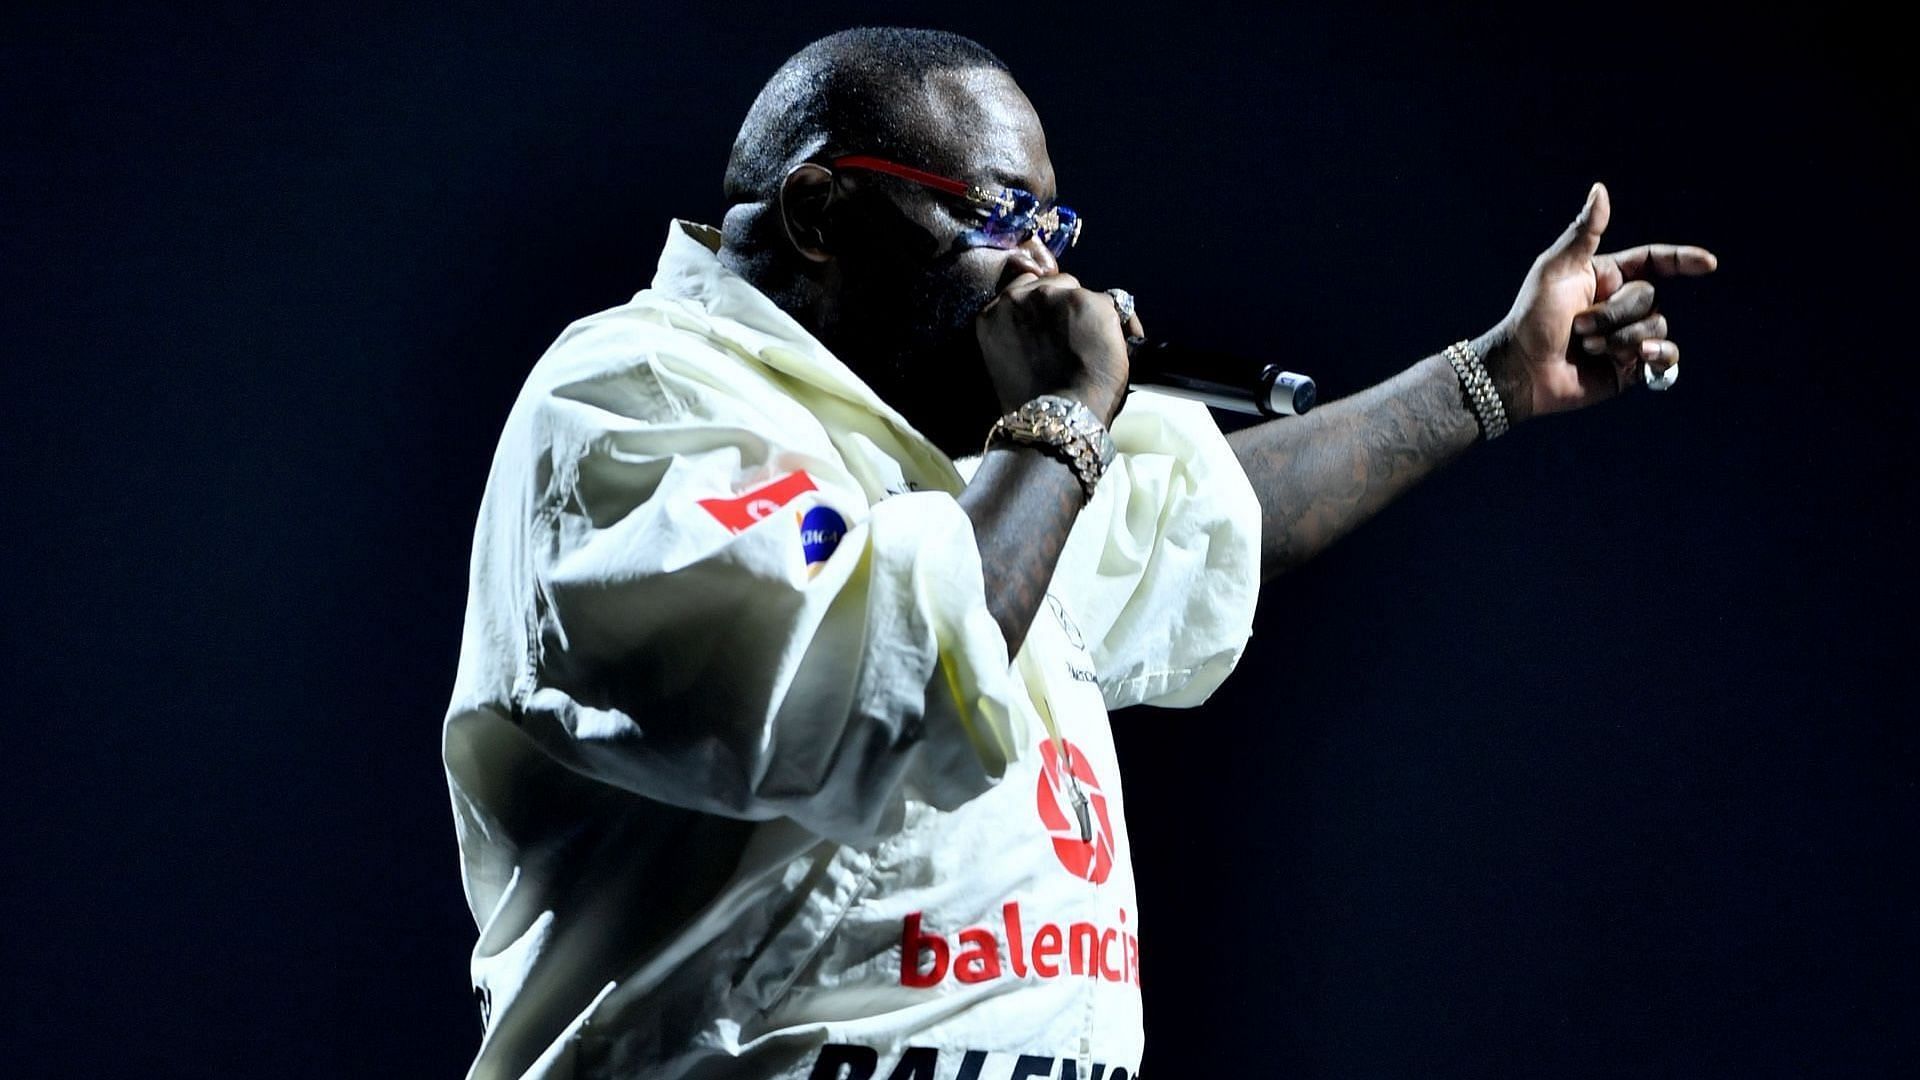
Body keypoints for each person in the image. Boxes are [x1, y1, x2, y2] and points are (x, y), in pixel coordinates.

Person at [441, 27, 1716, 1080]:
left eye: (1056, 225)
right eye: (998, 216)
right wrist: (1056, 423)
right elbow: (873, 684)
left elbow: (1204, 514)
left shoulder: (975, 465)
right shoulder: (638, 400)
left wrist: (1488, 379)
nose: (1045, 270)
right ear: (822, 211)